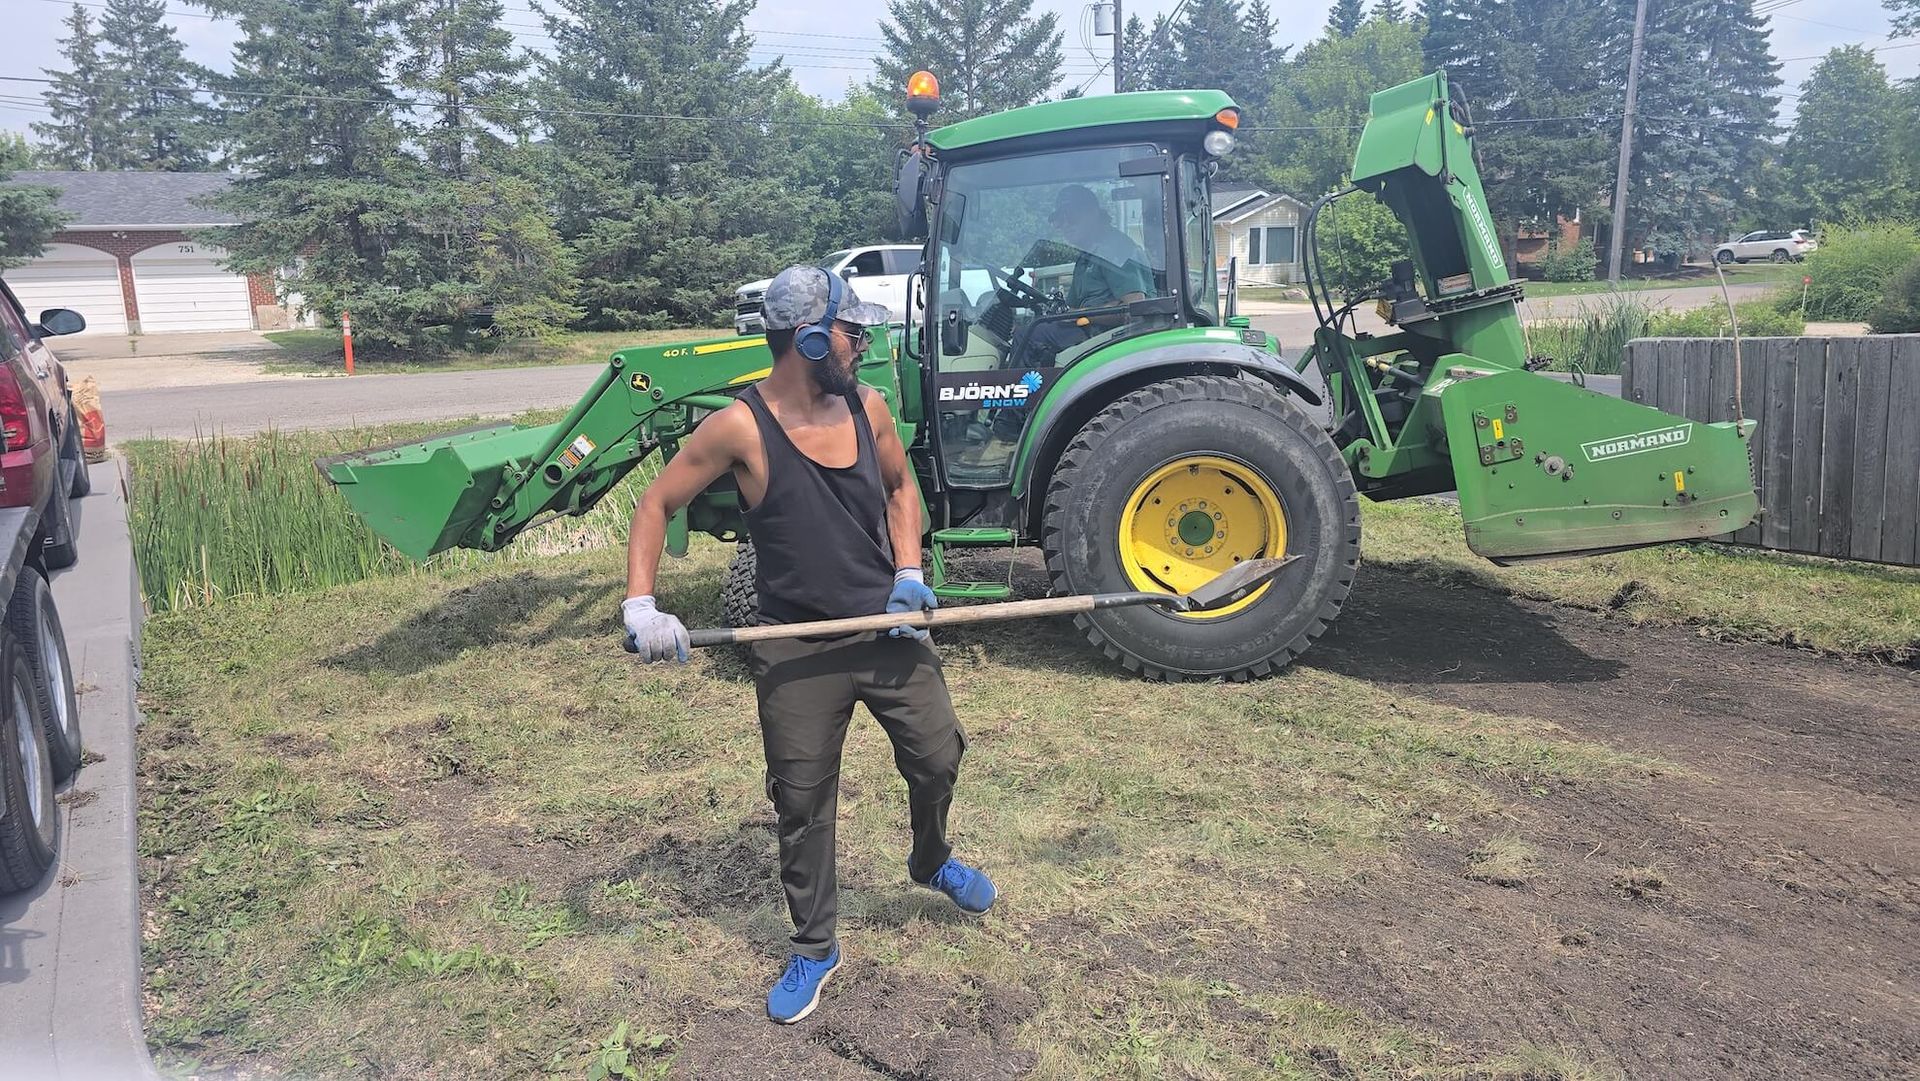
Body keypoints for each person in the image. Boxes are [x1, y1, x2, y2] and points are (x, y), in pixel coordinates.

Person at [619, 264, 997, 1026]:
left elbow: (899, 489)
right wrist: (641, 603)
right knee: (802, 799)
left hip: (885, 627)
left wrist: (909, 570)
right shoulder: (739, 426)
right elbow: (658, 502)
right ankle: (817, 945)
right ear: (813, 338)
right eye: (852, 331)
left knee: (936, 754)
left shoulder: (869, 407)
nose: (863, 342)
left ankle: (930, 857)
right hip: (794, 644)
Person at [1018, 184, 1155, 367]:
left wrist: (1079, 314)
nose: (1064, 224)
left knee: (1027, 335)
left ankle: (1016, 394)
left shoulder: (1114, 248)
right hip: (1093, 327)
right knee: (1033, 326)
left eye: (1071, 216)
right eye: (1059, 218)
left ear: (1093, 213)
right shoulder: (1087, 255)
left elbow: (1134, 306)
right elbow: (1071, 307)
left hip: (1116, 331)